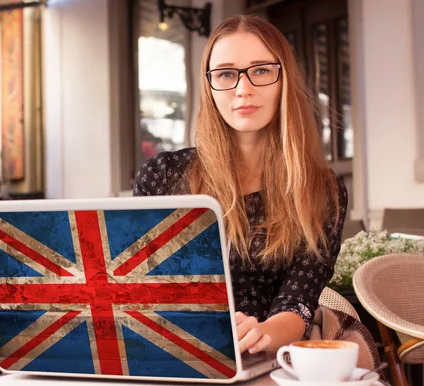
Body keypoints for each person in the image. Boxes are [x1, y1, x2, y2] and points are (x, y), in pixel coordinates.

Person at [133, 15, 347, 356]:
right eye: (226, 74)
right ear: (210, 85)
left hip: (266, 359)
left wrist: (261, 333)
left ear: (284, 79)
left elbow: (298, 303)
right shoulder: (163, 176)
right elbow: (141, 290)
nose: (243, 89)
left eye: (261, 70)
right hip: (173, 354)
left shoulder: (322, 189)